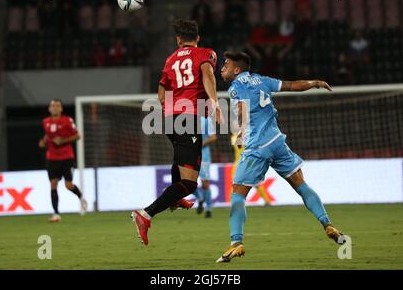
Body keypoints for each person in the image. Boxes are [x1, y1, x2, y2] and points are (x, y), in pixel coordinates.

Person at [216, 51, 344, 263]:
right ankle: (327, 224)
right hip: (277, 142)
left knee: (238, 194)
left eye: (226, 64)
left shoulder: (236, 87)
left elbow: (241, 109)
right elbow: (293, 85)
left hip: (257, 146)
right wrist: (315, 82)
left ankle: (236, 243)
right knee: (301, 185)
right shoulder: (263, 80)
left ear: (237, 69)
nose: (222, 68)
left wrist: (239, 131)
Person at [131, 19, 222, 246]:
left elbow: (162, 93)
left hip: (170, 118)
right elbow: (208, 76)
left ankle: (177, 199)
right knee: (190, 183)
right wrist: (215, 102)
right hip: (188, 118)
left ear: (178, 40)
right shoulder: (206, 54)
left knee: (179, 160)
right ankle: (145, 214)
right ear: (197, 38)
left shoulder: (170, 59)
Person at [39, 99, 87, 223]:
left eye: (57, 105)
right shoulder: (45, 122)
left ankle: (81, 197)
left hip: (66, 157)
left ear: (61, 109)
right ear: (49, 109)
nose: (55, 107)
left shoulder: (67, 120)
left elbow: (77, 136)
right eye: (52, 105)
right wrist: (44, 141)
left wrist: (63, 141)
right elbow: (48, 134)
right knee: (53, 184)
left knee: (68, 185)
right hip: (52, 158)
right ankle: (56, 214)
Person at [194, 116, 217, 218]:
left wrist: (200, 143)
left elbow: (213, 137)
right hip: (189, 155)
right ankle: (200, 198)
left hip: (204, 155)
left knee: (205, 183)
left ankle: (208, 209)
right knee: (186, 182)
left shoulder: (207, 120)